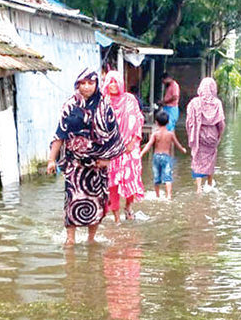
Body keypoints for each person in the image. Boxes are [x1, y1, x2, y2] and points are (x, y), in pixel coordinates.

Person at [46, 69, 127, 245]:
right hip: (75, 164)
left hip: (98, 166)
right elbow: (60, 133)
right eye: (82, 83)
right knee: (72, 200)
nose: (86, 87)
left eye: (90, 83)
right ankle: (70, 239)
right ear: (77, 85)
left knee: (97, 203)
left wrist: (107, 159)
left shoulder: (105, 106)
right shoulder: (70, 106)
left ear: (97, 84)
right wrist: (52, 159)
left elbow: (115, 135)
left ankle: (91, 238)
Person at [103, 71, 145, 223]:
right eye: (110, 81)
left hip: (129, 149)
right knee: (112, 184)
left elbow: (139, 120)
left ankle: (128, 206)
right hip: (110, 149)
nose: (112, 85)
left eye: (115, 81)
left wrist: (133, 141)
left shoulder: (130, 100)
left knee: (130, 179)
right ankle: (116, 218)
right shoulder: (103, 102)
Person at [186, 76, 226, 193]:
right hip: (212, 136)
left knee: (197, 159)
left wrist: (191, 132)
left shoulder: (194, 103)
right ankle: (209, 183)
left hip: (198, 135)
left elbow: (189, 121)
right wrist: (219, 135)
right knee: (211, 158)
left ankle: (198, 188)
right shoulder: (217, 103)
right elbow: (221, 123)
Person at [139, 109, 186, 199]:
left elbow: (148, 145)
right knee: (167, 176)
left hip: (156, 157)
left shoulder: (155, 134)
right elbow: (177, 144)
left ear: (156, 122)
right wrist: (182, 149)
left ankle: (157, 195)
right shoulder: (170, 134)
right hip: (166, 157)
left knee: (157, 177)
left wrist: (141, 154)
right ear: (168, 122)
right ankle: (169, 196)